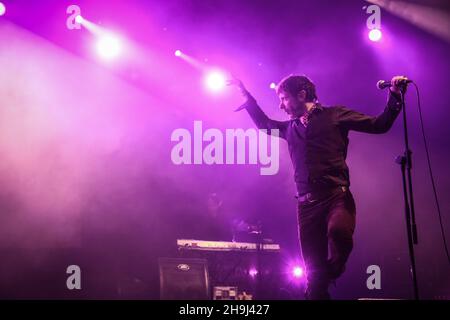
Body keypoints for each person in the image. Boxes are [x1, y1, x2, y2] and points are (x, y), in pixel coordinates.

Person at [229, 74, 407, 299]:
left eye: (284, 98)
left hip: (337, 197)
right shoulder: (289, 128)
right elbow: (265, 125)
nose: (281, 105)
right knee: (314, 284)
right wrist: (247, 97)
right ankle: (321, 281)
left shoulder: (335, 115)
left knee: (338, 232)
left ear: (302, 95)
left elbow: (379, 125)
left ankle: (334, 269)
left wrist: (394, 96)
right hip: (306, 207)